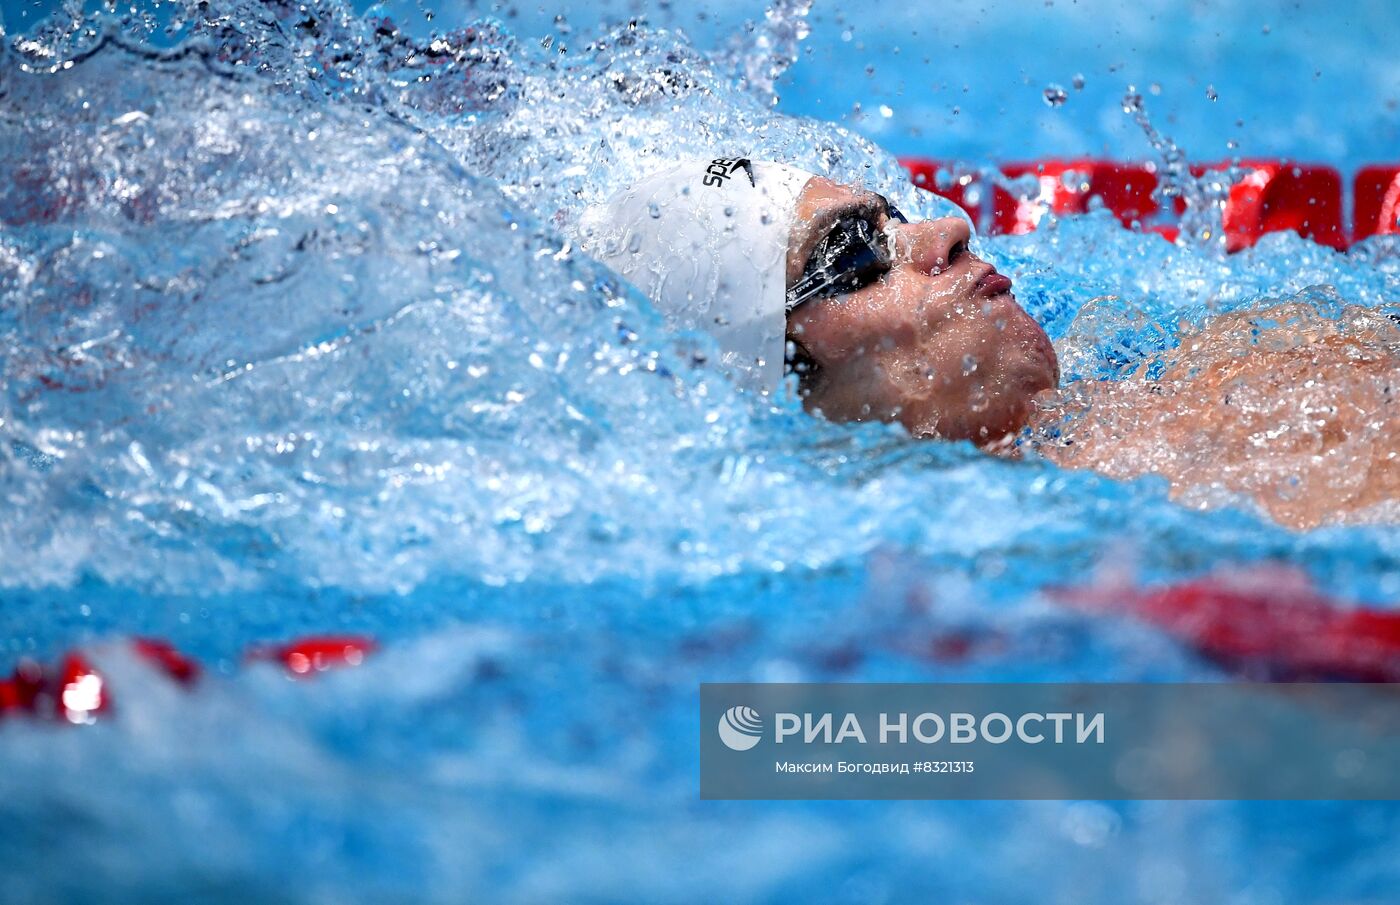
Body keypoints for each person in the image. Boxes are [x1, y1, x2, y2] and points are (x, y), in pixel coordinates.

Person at [578, 157, 1398, 529]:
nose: (946, 225)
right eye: (854, 256)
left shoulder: (1210, 358)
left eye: (894, 215)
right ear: (785, 388)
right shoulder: (1043, 562)